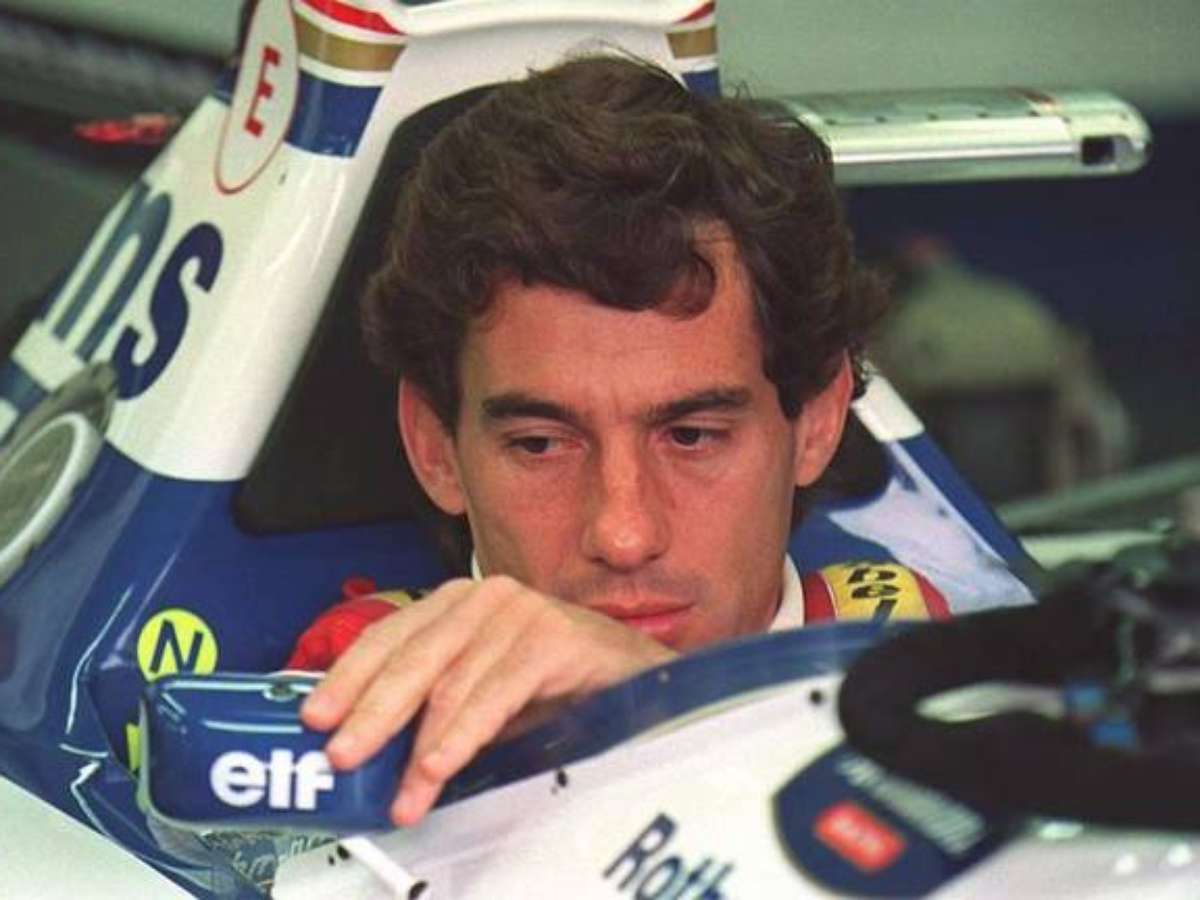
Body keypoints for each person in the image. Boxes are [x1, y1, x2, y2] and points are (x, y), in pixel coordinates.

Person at [291, 53, 890, 828]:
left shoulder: (928, 662)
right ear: (435, 446)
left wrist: (666, 709)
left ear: (816, 421)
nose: (623, 534)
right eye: (540, 445)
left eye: (692, 435)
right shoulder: (355, 703)